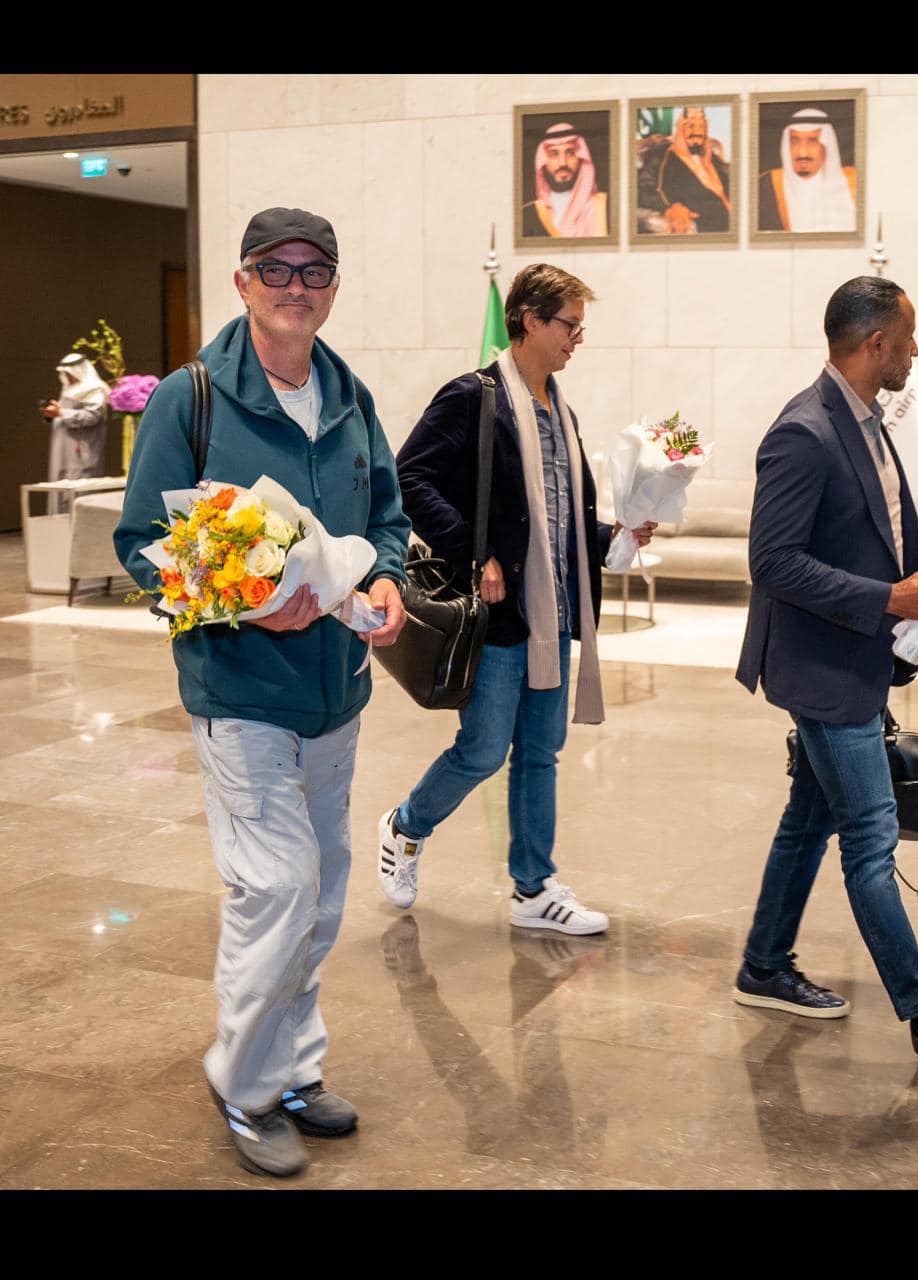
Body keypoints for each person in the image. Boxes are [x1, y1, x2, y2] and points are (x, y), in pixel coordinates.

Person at [114, 207, 410, 1177]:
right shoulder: (192, 400)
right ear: (241, 283)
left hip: (335, 692)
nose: (296, 284)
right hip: (238, 688)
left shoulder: (349, 394)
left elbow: (390, 518)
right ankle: (243, 1085)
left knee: (320, 894)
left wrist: (386, 583)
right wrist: (242, 605)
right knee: (274, 888)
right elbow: (140, 551)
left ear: (332, 285)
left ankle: (290, 1066)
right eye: (274, 269)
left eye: (314, 269)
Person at [378, 263, 656, 934]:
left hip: (553, 611)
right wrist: (473, 550)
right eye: (570, 324)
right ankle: (405, 826)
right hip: (499, 615)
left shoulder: (561, 409)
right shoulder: (474, 397)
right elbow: (408, 477)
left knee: (540, 751)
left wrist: (612, 534)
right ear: (530, 319)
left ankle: (533, 889)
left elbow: (552, 519)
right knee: (481, 750)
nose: (576, 338)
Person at [734, 275, 918, 1073]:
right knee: (870, 838)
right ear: (876, 343)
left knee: (809, 819)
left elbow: (880, 528)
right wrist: (890, 597)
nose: (917, 351)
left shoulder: (864, 418)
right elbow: (772, 562)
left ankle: (763, 964)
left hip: (856, 656)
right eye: (910, 336)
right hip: (821, 669)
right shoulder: (805, 432)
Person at [758, 106, 856, 233]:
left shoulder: (854, 183)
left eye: (813, 141)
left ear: (827, 145)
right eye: (794, 141)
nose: (802, 152)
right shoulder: (766, 185)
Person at [636, 106, 731, 235]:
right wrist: (668, 208)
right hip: (705, 221)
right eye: (690, 126)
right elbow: (645, 186)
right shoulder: (662, 154)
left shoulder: (713, 159)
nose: (697, 131)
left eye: (701, 126)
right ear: (680, 127)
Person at [41, 352, 110, 511]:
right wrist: (52, 414)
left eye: (69, 373)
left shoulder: (94, 389)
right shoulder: (69, 390)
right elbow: (63, 413)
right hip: (62, 449)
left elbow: (93, 416)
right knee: (60, 486)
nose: (67, 377)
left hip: (81, 451)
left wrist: (61, 413)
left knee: (80, 489)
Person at [522, 122, 608, 238]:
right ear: (544, 162)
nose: (563, 162)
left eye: (570, 153)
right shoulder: (527, 214)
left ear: (581, 159)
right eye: (554, 154)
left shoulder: (605, 207)